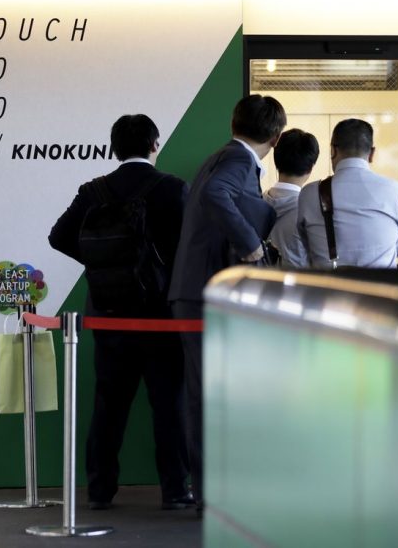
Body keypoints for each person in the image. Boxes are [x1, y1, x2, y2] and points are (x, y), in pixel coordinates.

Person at [48, 114, 192, 511]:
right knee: (168, 405)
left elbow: (57, 236)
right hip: (161, 315)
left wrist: (101, 263)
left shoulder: (93, 190)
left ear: (114, 148)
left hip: (108, 313)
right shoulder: (173, 189)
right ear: (155, 144)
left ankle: (99, 491)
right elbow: (189, 247)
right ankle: (176, 491)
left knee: (108, 405)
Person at [168, 94, 286, 514]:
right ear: (275, 135)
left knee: (206, 394)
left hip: (198, 291)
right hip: (203, 294)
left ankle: (212, 490)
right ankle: (210, 493)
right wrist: (253, 246)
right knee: (206, 396)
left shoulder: (224, 157)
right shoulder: (235, 163)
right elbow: (217, 196)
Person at [296, 118, 398, 268]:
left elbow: (306, 245)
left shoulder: (309, 194)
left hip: (328, 289)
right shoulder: (396, 191)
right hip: (382, 288)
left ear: (333, 151)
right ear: (372, 153)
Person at [263, 128, 319, 268]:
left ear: (276, 161)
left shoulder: (256, 201)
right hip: (299, 286)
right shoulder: (311, 209)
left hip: (259, 285)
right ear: (310, 168)